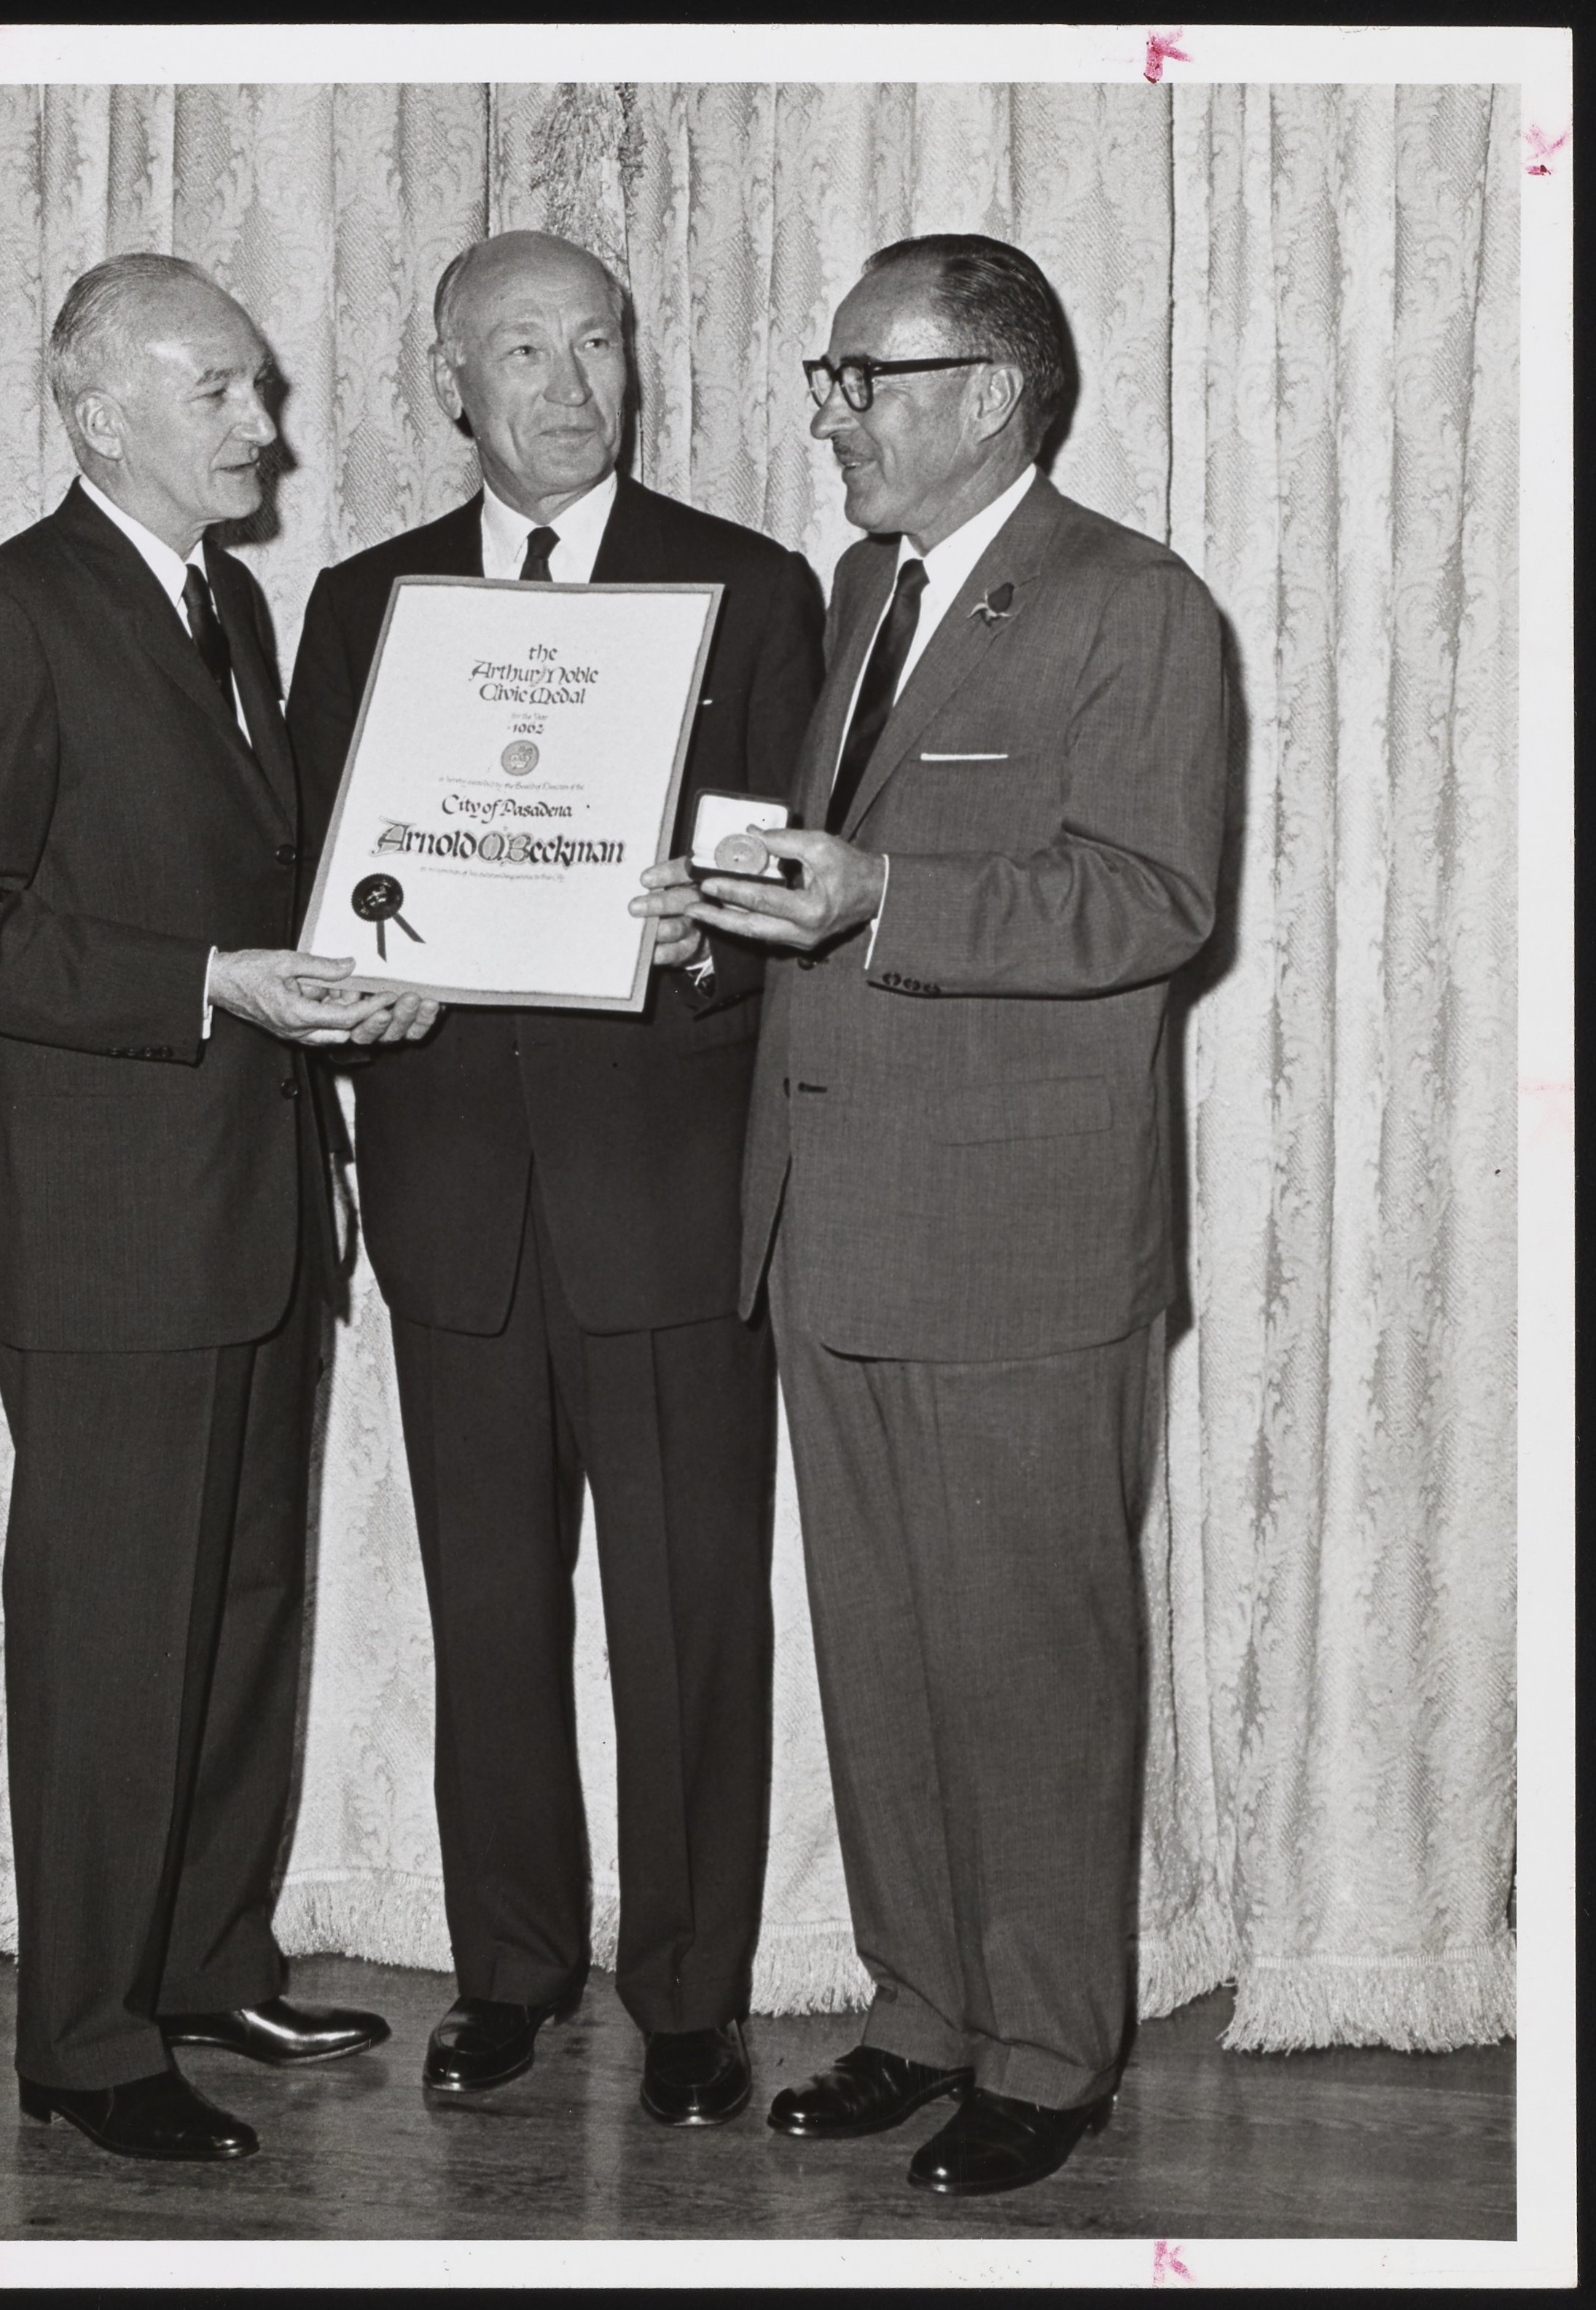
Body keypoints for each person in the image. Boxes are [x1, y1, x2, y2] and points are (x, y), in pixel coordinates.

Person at [0, 253, 438, 2164]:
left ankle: (201, 1965)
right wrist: (208, 984)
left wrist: (342, 976)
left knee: (242, 1614)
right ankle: (86, 2039)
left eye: (259, 388)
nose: (263, 425)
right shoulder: (6, 618)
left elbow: (240, 882)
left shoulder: (224, 605)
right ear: (97, 408)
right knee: (114, 1637)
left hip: (259, 1210)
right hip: (117, 1240)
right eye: (221, 391)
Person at [680, 233, 1228, 2195]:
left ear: (990, 392)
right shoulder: (866, 586)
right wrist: (735, 911)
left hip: (1020, 1251)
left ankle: (1051, 2050)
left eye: (866, 376)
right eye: (827, 377)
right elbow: (844, 872)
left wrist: (880, 898)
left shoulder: (1132, 603)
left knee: (1029, 1667)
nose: (830, 413)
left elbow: (1154, 900)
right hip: (830, 1221)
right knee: (887, 1658)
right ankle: (921, 2011)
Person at [287, 230, 823, 2126]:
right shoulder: (365, 601)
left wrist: (708, 936)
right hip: (452, 1191)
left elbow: (782, 880)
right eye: (522, 351)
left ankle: (689, 1995)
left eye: (597, 343)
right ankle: (508, 1971)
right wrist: (350, 953)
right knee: (490, 1613)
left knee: (687, 1617)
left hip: (662, 1191)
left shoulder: (749, 588)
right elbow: (324, 868)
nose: (570, 385)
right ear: (449, 382)